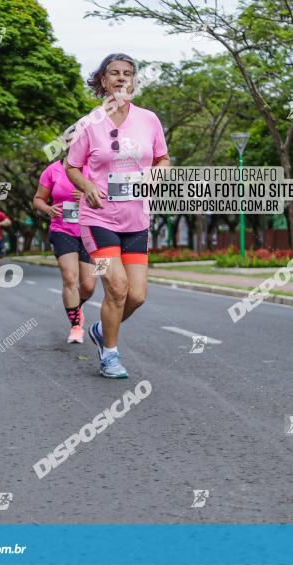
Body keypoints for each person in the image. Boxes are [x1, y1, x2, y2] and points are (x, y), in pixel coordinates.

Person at [65, 53, 171, 378]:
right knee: (117, 287)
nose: (122, 78)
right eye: (114, 73)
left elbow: (162, 159)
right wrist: (87, 186)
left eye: (128, 73)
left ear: (135, 81)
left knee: (136, 296)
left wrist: (156, 176)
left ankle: (100, 330)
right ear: (103, 81)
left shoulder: (149, 120)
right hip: (97, 222)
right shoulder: (88, 125)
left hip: (136, 221)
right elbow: (72, 167)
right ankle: (110, 354)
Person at [33, 159, 96, 343]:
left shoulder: (94, 166)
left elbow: (109, 196)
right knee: (70, 278)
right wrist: (48, 209)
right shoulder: (53, 170)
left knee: (89, 286)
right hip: (62, 230)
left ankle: (76, 306)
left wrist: (86, 197)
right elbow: (38, 199)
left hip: (91, 231)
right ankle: (76, 327)